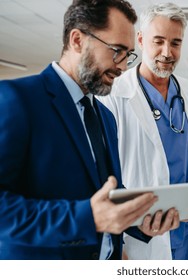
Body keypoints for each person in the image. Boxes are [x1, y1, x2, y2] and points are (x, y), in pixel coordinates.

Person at [0, 0, 178, 260]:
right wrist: (87, 218)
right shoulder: (17, 100)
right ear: (77, 40)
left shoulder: (104, 116)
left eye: (127, 54)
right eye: (116, 50)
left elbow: (104, 194)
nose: (122, 66)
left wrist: (139, 220)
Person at [98, 2, 188, 260]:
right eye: (158, 41)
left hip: (187, 228)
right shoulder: (114, 95)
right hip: (139, 236)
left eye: (175, 43)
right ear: (140, 40)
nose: (167, 52)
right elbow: (102, 171)